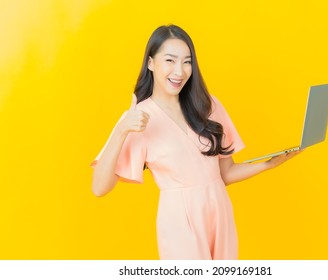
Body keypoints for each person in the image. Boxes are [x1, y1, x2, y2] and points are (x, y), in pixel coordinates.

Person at [91, 24, 301, 260]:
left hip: (220, 211)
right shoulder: (138, 117)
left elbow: (225, 172)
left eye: (187, 61)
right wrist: (122, 130)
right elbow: (99, 187)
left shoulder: (208, 105)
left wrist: (268, 164)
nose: (179, 71)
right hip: (179, 219)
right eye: (170, 60)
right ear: (151, 63)